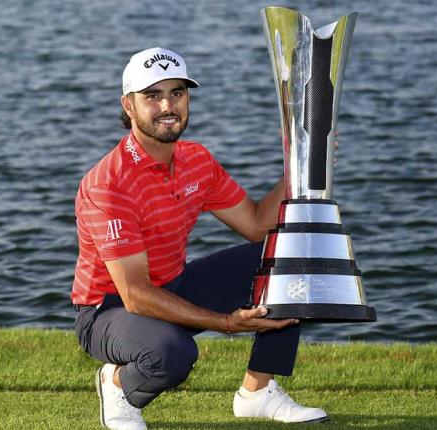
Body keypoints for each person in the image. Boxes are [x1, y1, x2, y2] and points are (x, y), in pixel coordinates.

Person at [71, 47, 329, 430]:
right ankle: (117, 383)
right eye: (152, 96)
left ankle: (257, 393)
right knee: (172, 354)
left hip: (174, 284)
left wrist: (298, 164)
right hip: (107, 311)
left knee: (287, 259)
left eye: (177, 93)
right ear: (128, 106)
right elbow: (136, 295)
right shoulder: (108, 184)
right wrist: (226, 322)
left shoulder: (196, 160)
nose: (167, 106)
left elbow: (257, 224)